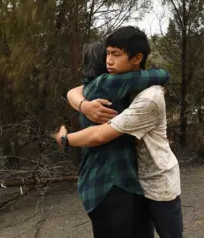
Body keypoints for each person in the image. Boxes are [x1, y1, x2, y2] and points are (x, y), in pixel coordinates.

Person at [56, 26, 183, 238]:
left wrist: (81, 106)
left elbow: (73, 91)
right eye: (107, 54)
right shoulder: (110, 84)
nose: (110, 61)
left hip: (96, 184)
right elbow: (163, 74)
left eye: (115, 54)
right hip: (113, 185)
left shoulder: (93, 89)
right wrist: (65, 139)